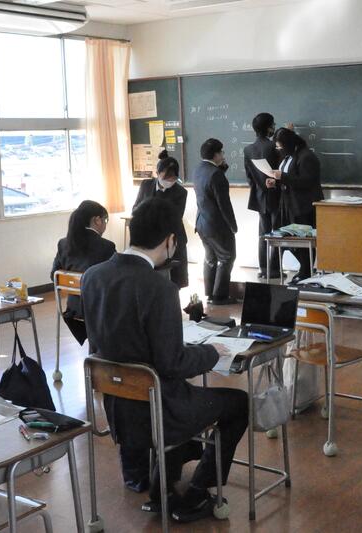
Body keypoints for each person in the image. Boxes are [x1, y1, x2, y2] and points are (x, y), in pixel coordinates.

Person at [81, 198, 248, 523]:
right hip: (159, 409)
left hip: (117, 409)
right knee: (237, 403)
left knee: (184, 393)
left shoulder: (92, 276)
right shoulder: (160, 287)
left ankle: (163, 490)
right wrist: (213, 352)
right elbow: (173, 363)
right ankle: (196, 492)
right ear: (171, 241)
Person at [50, 199, 115, 346]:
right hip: (98, 309)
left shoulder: (64, 243)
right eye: (105, 220)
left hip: (73, 310)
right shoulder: (106, 246)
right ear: (97, 220)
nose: (105, 225)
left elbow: (54, 276)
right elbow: (116, 278)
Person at [272, 127, 323, 282]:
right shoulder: (289, 156)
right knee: (288, 238)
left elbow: (306, 181)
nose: (279, 150)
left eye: (280, 146)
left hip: (303, 206)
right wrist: (275, 181)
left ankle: (306, 271)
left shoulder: (306, 157)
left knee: (303, 239)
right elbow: (287, 178)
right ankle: (304, 269)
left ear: (288, 144)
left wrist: (283, 177)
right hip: (288, 204)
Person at [133, 150, 189, 288]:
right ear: (157, 174)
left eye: (173, 179)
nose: (169, 181)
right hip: (148, 239)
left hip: (171, 238)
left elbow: (176, 217)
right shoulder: (146, 185)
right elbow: (135, 209)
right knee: (151, 279)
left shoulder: (181, 192)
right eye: (166, 178)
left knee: (174, 280)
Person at [193, 138, 238, 304]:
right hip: (217, 225)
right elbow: (224, 204)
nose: (223, 155)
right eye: (222, 152)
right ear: (216, 155)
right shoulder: (216, 174)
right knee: (227, 257)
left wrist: (221, 170)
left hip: (201, 223)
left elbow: (209, 188)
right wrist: (233, 225)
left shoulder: (198, 169)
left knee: (210, 259)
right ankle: (220, 296)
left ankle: (210, 294)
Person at [243, 112, 281, 279]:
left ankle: (263, 268)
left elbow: (249, 177)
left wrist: (259, 188)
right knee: (277, 234)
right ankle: (274, 269)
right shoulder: (274, 147)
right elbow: (282, 170)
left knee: (263, 234)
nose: (274, 128)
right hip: (276, 195)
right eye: (273, 125)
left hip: (259, 196)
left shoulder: (248, 149)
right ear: (269, 128)